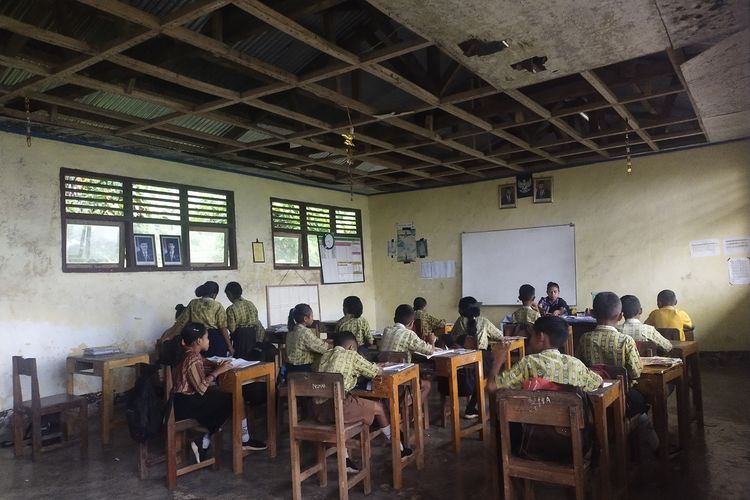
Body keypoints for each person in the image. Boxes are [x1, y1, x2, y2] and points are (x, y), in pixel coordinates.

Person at [314, 331, 411, 472]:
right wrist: (381, 366)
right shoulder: (352, 355)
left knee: (351, 407)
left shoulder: (324, 356)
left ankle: (346, 460)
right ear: (351, 348)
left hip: (319, 410)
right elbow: (375, 371)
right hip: (339, 407)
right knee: (377, 407)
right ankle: (399, 448)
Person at [173, 323, 265, 463]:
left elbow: (202, 362)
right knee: (234, 398)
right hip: (187, 406)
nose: (209, 340)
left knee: (222, 397)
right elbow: (201, 388)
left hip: (179, 402)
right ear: (199, 341)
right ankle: (242, 440)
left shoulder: (187, 353)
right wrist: (218, 371)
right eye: (207, 338)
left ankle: (206, 439)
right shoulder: (193, 358)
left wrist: (215, 364)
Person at [486, 316, 602, 392]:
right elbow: (599, 382)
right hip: (572, 428)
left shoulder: (528, 363)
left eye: (532, 335)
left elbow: (491, 386)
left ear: (540, 337)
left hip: (533, 426)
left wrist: (498, 361)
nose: (529, 340)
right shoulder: (576, 364)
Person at [380, 304, 434, 405]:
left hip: (383, 375)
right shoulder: (409, 334)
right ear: (412, 323)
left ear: (394, 319)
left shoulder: (387, 330)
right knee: (427, 385)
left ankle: (404, 403)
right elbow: (430, 351)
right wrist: (432, 341)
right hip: (401, 378)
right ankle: (412, 413)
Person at [169, 281, 233, 358]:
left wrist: (170, 336)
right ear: (214, 294)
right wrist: (229, 346)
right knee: (216, 363)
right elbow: (223, 327)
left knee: (199, 363)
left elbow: (181, 322)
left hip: (196, 337)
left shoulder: (193, 303)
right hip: (215, 338)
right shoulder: (217, 306)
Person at [286, 303, 328, 373]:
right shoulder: (305, 332)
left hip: (290, 369)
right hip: (302, 370)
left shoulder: (291, 331)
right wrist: (328, 344)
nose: (313, 318)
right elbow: (323, 348)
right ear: (305, 318)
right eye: (312, 316)